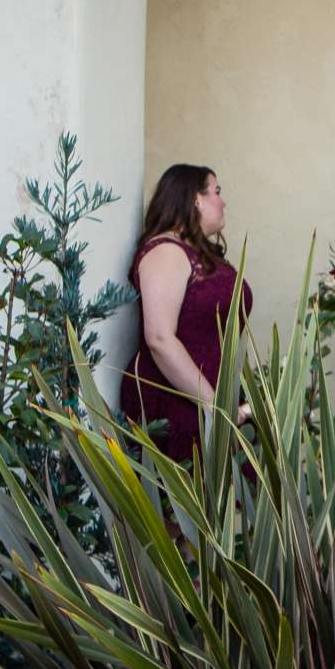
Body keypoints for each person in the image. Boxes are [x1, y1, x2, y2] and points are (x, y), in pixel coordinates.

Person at [119, 163, 252, 461]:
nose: (223, 201)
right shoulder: (166, 251)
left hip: (210, 401)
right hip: (178, 401)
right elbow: (159, 338)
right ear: (195, 199)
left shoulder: (196, 251)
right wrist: (212, 405)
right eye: (217, 192)